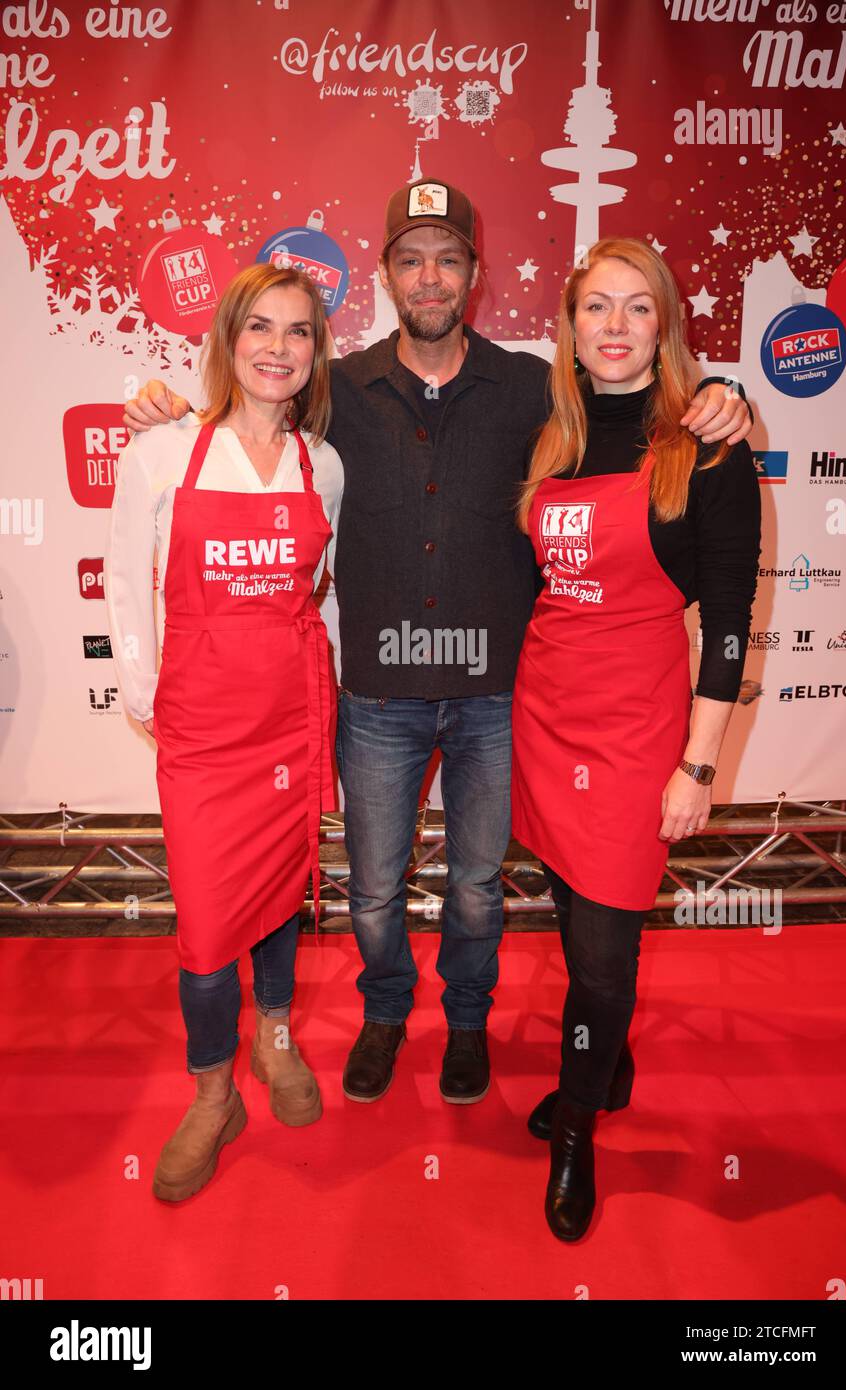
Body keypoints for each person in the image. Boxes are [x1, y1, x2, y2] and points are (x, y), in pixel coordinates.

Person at [121, 179, 752, 1110]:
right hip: (378, 697)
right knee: (374, 888)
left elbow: (633, 407)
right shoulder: (336, 393)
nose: (429, 276)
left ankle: (466, 1022)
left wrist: (720, 394)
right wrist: (164, 409)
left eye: (448, 259)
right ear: (384, 274)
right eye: (411, 259)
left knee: (475, 885)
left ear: (475, 275)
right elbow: (247, 428)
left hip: (498, 696)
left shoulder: (540, 391)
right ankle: (386, 1014)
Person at [510, 237, 761, 1241]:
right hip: (545, 712)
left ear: (664, 328)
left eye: (636, 308)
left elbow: (732, 622)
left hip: (638, 731)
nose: (613, 328)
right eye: (594, 308)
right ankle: (604, 1065)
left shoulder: (705, 448)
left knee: (602, 959)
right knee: (572, 918)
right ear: (569, 329)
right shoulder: (550, 440)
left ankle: (575, 1129)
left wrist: (695, 765)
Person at [106, 264, 343, 1201]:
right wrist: (144, 697)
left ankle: (276, 1040)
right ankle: (212, 1094)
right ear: (227, 342)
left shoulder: (322, 464)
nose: (278, 348)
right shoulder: (164, 451)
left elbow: (324, 598)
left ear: (316, 352)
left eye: (298, 332)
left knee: (281, 895)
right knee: (206, 924)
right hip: (203, 726)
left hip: (290, 716)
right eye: (260, 329)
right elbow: (128, 580)